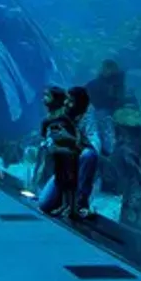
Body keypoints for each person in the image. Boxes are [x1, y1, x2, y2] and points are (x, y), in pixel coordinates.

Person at [37, 85, 100, 218]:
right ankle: (64, 202)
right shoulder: (61, 113)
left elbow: (94, 145)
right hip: (65, 164)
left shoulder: (88, 115)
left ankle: (80, 203)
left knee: (89, 154)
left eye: (71, 100)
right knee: (44, 204)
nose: (66, 103)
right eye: (66, 99)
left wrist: (70, 139)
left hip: (81, 163)